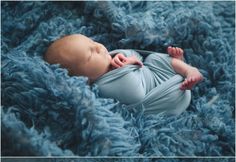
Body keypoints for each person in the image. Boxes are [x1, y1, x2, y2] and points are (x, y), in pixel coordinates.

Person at [44, 34, 203, 116]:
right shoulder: (103, 86)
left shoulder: (110, 60)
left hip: (155, 76)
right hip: (167, 96)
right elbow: (137, 94)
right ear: (82, 79)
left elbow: (139, 56)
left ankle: (187, 70)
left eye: (92, 43)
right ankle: (182, 72)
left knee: (154, 58)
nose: (99, 47)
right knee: (154, 61)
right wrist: (127, 66)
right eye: (90, 55)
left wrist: (126, 57)